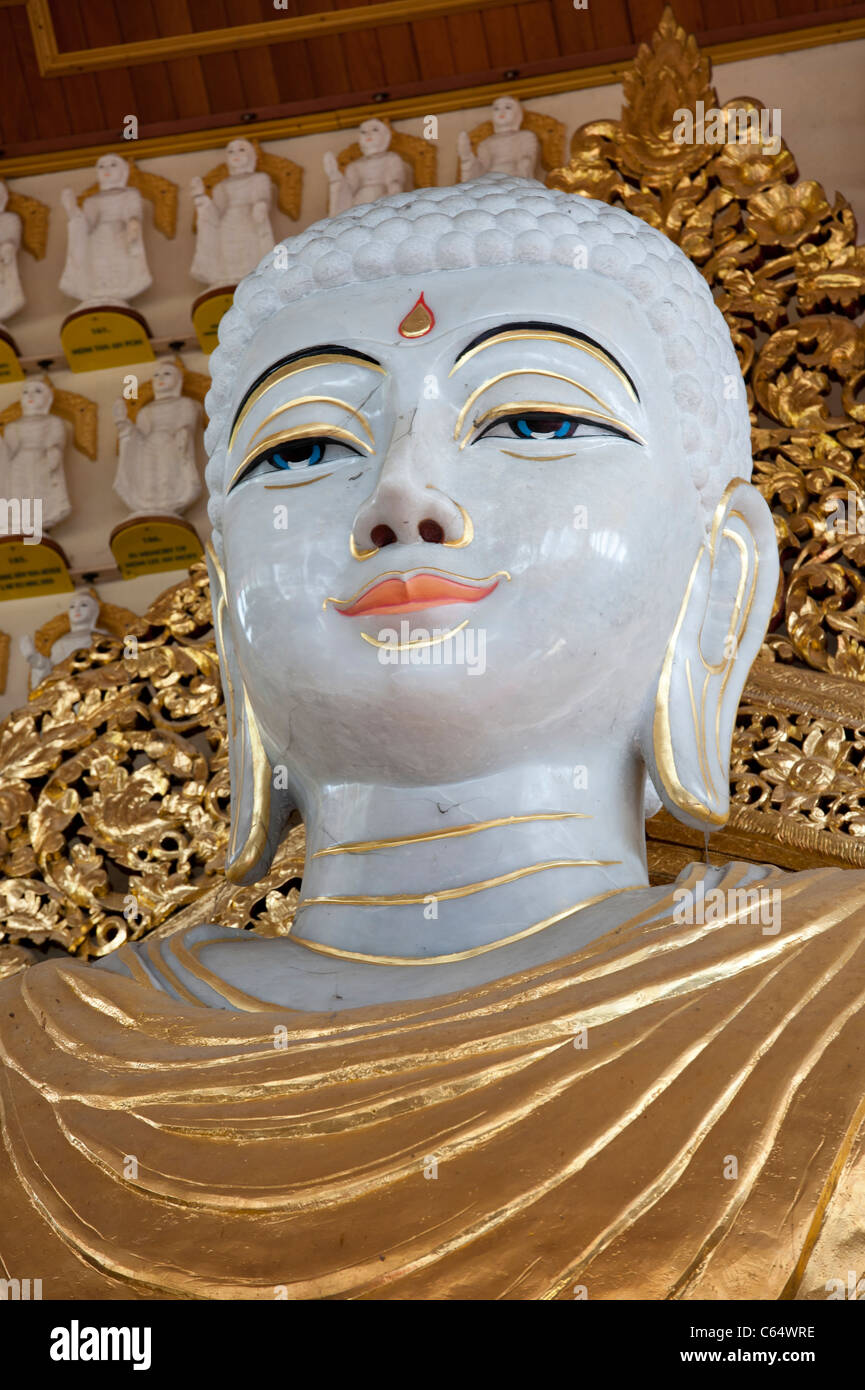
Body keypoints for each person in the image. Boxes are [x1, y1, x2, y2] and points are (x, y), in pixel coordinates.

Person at [1, 178, 862, 1301]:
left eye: (534, 420)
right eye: (305, 447)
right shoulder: (38, 1061)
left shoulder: (833, 989)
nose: (402, 495)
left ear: (718, 581)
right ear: (224, 610)